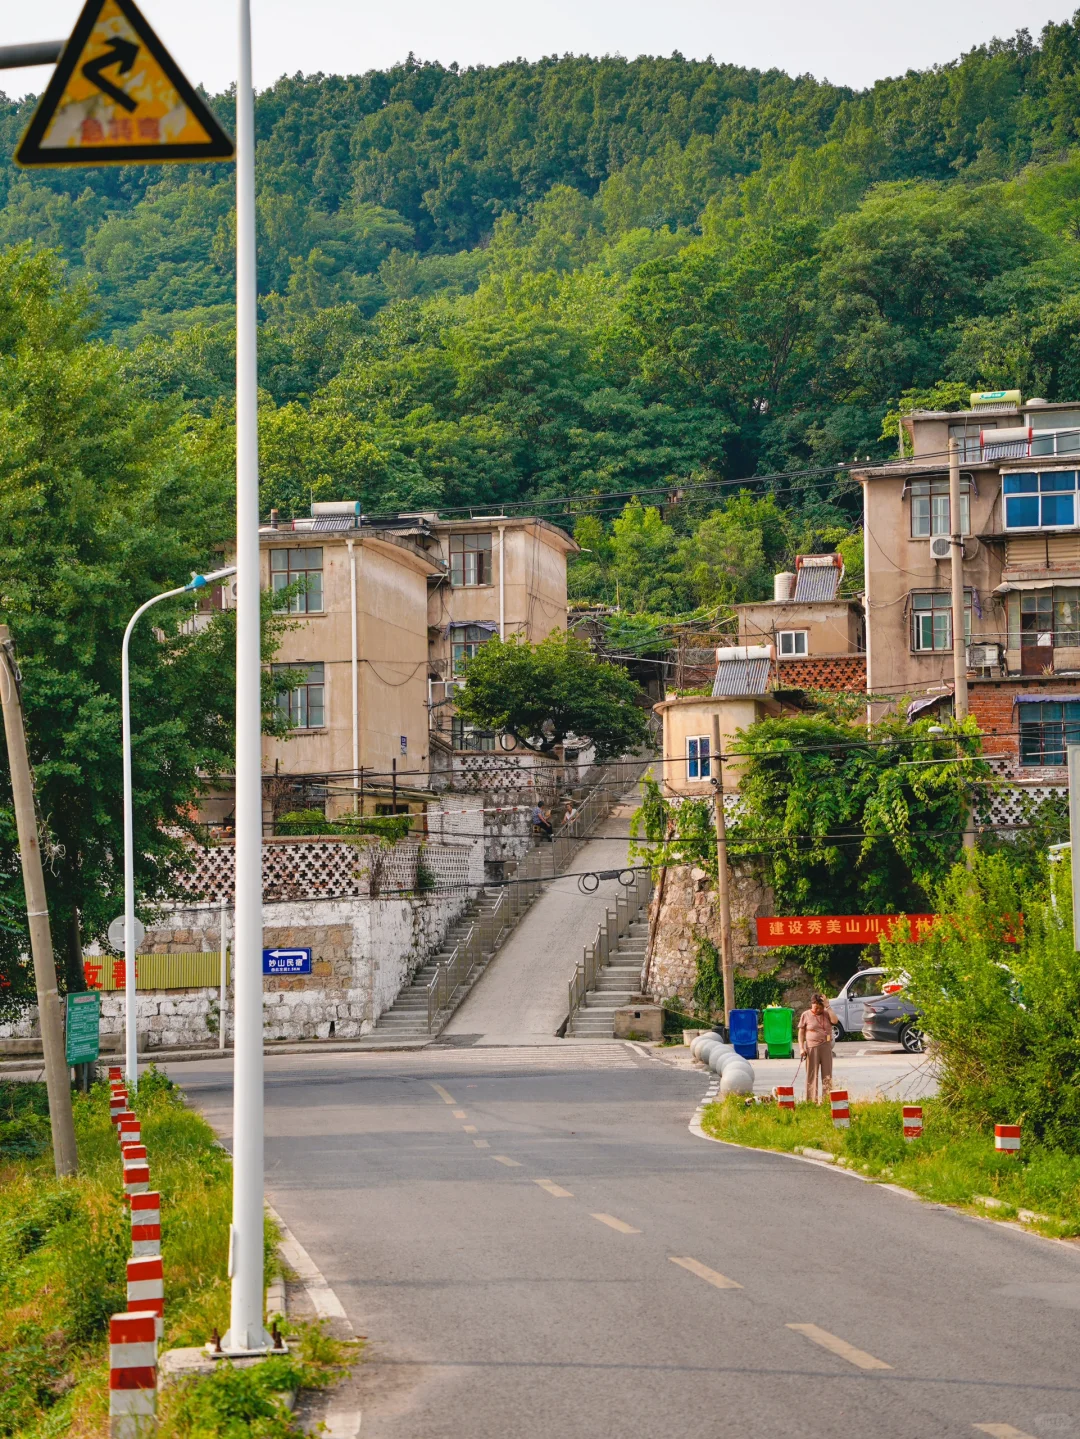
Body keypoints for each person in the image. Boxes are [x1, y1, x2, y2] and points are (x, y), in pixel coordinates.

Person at [798, 992, 839, 1103]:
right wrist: (802, 1048)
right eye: (816, 1007)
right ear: (812, 1004)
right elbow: (801, 1033)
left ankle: (827, 1101)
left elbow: (835, 1021)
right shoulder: (805, 1015)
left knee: (827, 1075)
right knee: (811, 1075)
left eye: (820, 1008)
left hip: (826, 1047)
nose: (818, 1010)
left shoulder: (826, 1013)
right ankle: (811, 1101)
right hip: (812, 1047)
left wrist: (828, 1006)